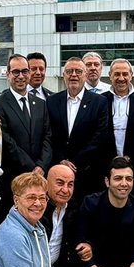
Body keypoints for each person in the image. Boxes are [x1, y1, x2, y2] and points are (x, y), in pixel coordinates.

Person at [0, 54, 51, 225]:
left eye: (25, 71)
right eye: (16, 72)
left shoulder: (41, 103)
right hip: (12, 179)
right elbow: (7, 141)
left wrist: (41, 166)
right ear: (8, 74)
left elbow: (48, 137)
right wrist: (32, 168)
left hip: (39, 178)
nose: (21, 76)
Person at [48, 57, 112, 205]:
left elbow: (99, 137)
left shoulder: (99, 102)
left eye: (78, 71)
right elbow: (49, 134)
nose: (74, 75)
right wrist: (61, 160)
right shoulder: (52, 101)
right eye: (69, 71)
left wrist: (74, 162)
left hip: (87, 172)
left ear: (85, 75)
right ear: (64, 75)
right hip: (58, 170)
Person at [102, 59, 134, 196]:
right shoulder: (100, 100)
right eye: (117, 74)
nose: (121, 78)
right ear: (110, 75)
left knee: (131, 204)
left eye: (125, 74)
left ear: (131, 75)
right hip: (106, 165)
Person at [41, 161, 80, 267]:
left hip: (57, 264)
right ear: (46, 183)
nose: (65, 190)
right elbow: (35, 258)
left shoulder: (72, 207)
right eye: (60, 183)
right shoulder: (38, 210)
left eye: (70, 184)